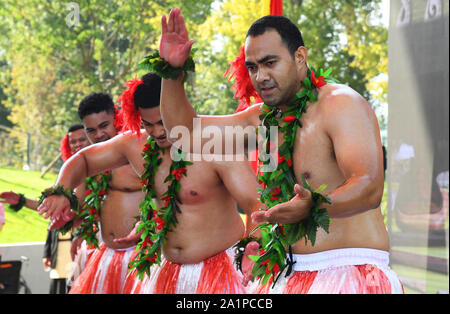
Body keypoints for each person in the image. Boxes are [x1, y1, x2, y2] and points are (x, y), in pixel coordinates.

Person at [156, 9, 403, 294]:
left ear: (299, 57)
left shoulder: (340, 104)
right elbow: (183, 135)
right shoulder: (262, 121)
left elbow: (369, 187)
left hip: (352, 270)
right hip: (292, 274)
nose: (260, 76)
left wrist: (313, 205)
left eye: (270, 63)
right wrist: (172, 71)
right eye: (252, 67)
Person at [38, 73, 262, 294]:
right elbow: (84, 159)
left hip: (219, 273)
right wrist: (60, 190)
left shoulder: (215, 141)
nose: (157, 132)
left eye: (163, 122)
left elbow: (255, 202)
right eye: (148, 124)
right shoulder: (135, 145)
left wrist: (251, 248)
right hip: (167, 273)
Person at [39, 93, 144, 294]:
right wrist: (71, 220)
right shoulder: (93, 164)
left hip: (140, 257)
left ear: (117, 118)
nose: (98, 135)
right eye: (91, 130)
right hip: (107, 256)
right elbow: (82, 208)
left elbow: (163, 199)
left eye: (104, 126)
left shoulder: (137, 149)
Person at [0, 124, 89, 213]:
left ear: (91, 139)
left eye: (82, 140)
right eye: (73, 142)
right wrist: (22, 200)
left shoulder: (102, 167)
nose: (77, 144)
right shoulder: (70, 172)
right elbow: (50, 203)